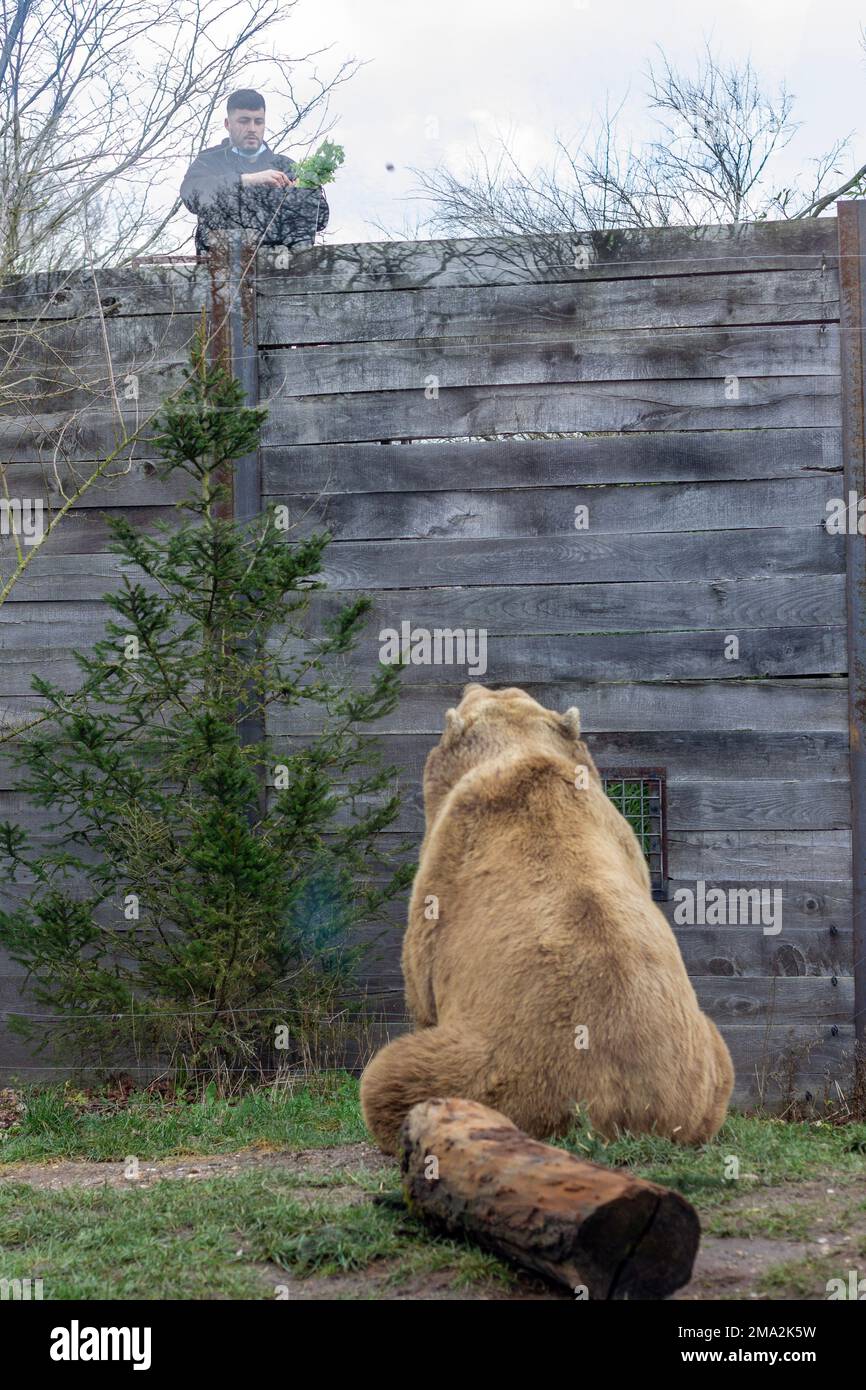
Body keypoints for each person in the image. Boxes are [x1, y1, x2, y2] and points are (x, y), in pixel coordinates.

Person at [180, 89, 330, 255]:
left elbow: (321, 219)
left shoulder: (286, 166)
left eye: (258, 122)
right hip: (221, 267)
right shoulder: (210, 160)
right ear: (227, 124)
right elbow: (190, 195)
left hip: (279, 270)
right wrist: (246, 180)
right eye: (244, 121)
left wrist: (297, 194)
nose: (252, 128)